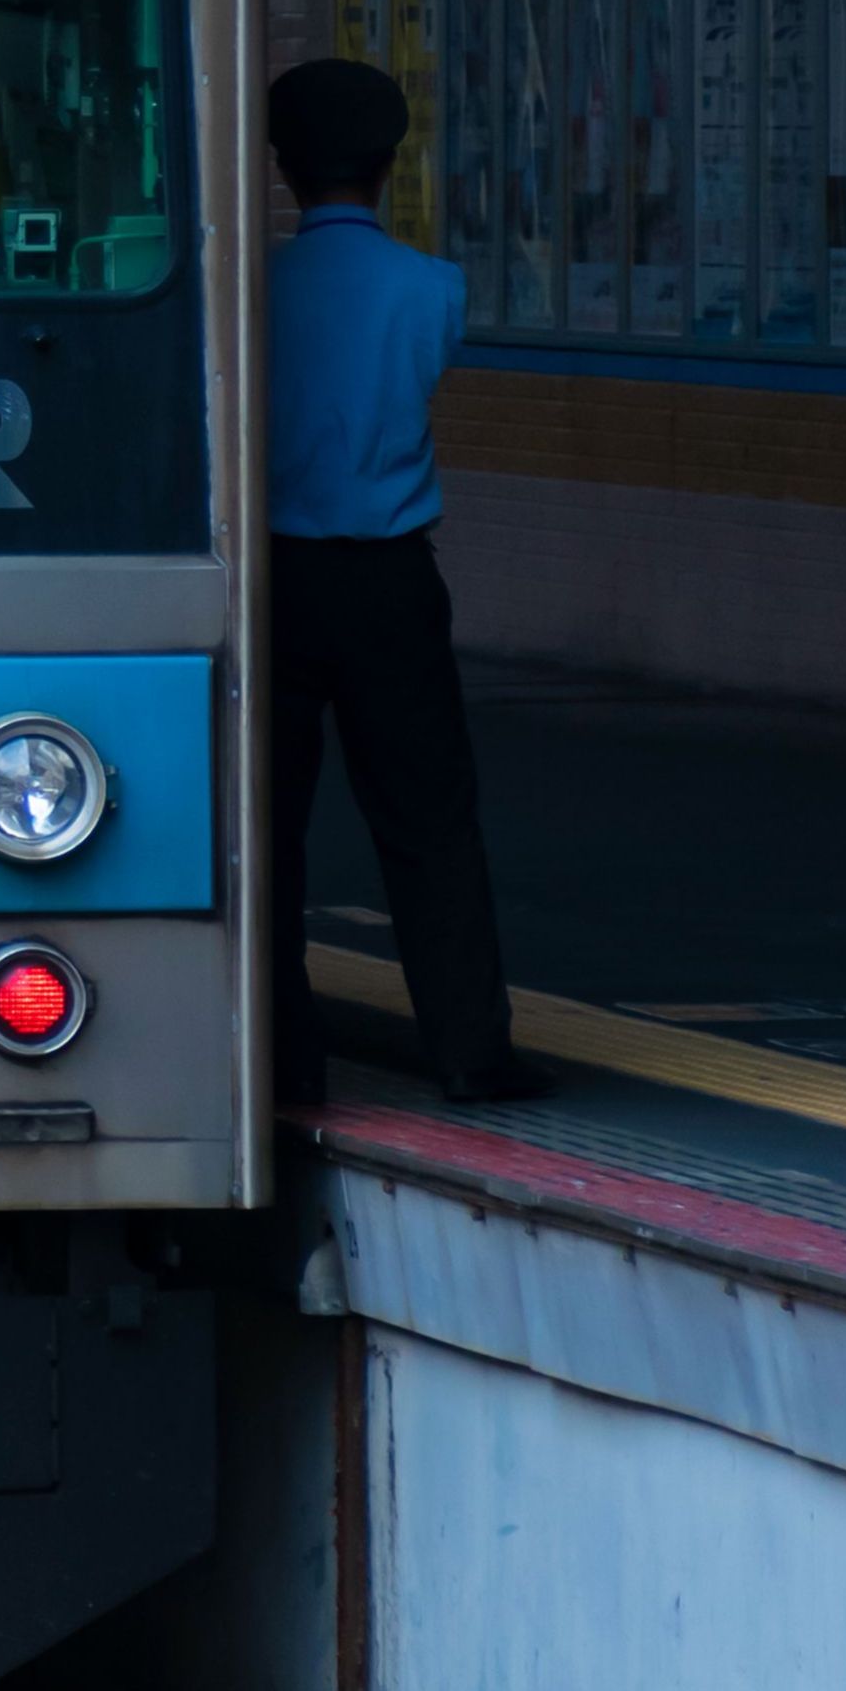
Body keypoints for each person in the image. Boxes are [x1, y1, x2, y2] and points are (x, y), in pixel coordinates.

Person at [261, 59, 546, 1105]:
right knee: (429, 819)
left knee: (266, 823)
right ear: (388, 166)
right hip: (390, 580)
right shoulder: (433, 289)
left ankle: (283, 1058)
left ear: (281, 166)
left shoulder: (251, 292)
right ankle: (471, 1050)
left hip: (272, 581)